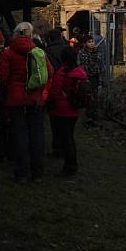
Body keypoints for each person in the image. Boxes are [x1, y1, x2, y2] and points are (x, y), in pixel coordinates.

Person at [0, 21, 53, 182]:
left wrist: (9, 89)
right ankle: (37, 172)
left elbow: (2, 77)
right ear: (30, 35)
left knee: (19, 134)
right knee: (37, 134)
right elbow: (50, 72)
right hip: (34, 98)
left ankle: (22, 172)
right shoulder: (38, 52)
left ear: (15, 34)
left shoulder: (8, 53)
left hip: (16, 99)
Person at [48, 46, 88, 176]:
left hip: (62, 109)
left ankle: (70, 166)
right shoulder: (80, 72)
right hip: (74, 108)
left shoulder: (61, 73)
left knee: (66, 139)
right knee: (69, 137)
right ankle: (71, 164)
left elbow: (55, 91)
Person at [45, 27, 68, 157]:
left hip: (53, 85)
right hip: (66, 84)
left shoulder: (47, 51)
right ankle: (66, 147)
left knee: (54, 120)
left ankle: (57, 148)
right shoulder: (66, 49)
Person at [78, 34, 103, 125]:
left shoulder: (96, 52)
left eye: (92, 41)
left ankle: (94, 114)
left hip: (95, 77)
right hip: (87, 78)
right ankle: (89, 116)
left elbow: (100, 64)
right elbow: (82, 66)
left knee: (95, 96)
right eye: (89, 42)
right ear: (85, 44)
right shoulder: (82, 53)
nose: (92, 43)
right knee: (89, 97)